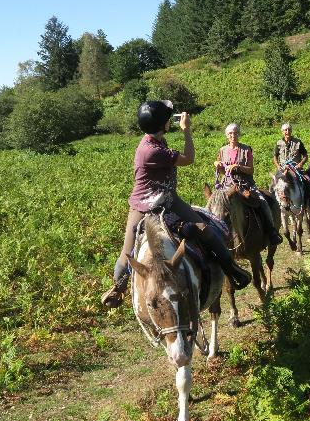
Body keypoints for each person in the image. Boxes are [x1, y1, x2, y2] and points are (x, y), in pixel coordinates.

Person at [101, 101, 251, 309]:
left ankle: (231, 269)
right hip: (150, 204)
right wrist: (187, 130)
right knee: (130, 251)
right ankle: (118, 288)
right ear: (162, 124)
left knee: (204, 229)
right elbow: (189, 158)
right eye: (166, 119)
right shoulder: (152, 151)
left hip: (164, 198)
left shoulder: (153, 141)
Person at [215, 123, 283, 246]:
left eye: (235, 132)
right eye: (230, 133)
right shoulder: (222, 150)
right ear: (226, 135)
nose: (233, 135)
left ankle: (271, 230)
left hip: (245, 184)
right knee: (215, 204)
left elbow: (251, 170)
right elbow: (221, 172)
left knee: (262, 201)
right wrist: (218, 166)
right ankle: (215, 234)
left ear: (239, 134)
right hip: (227, 186)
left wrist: (238, 166)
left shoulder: (246, 149)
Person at [272, 122, 310, 213]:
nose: (287, 131)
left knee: (308, 180)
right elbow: (275, 157)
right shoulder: (278, 143)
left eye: (289, 129)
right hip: (283, 169)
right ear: (282, 132)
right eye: (285, 130)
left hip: (296, 168)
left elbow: (305, 155)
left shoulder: (298, 142)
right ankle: (274, 206)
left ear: (291, 131)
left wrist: (300, 164)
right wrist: (278, 166)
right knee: (273, 184)